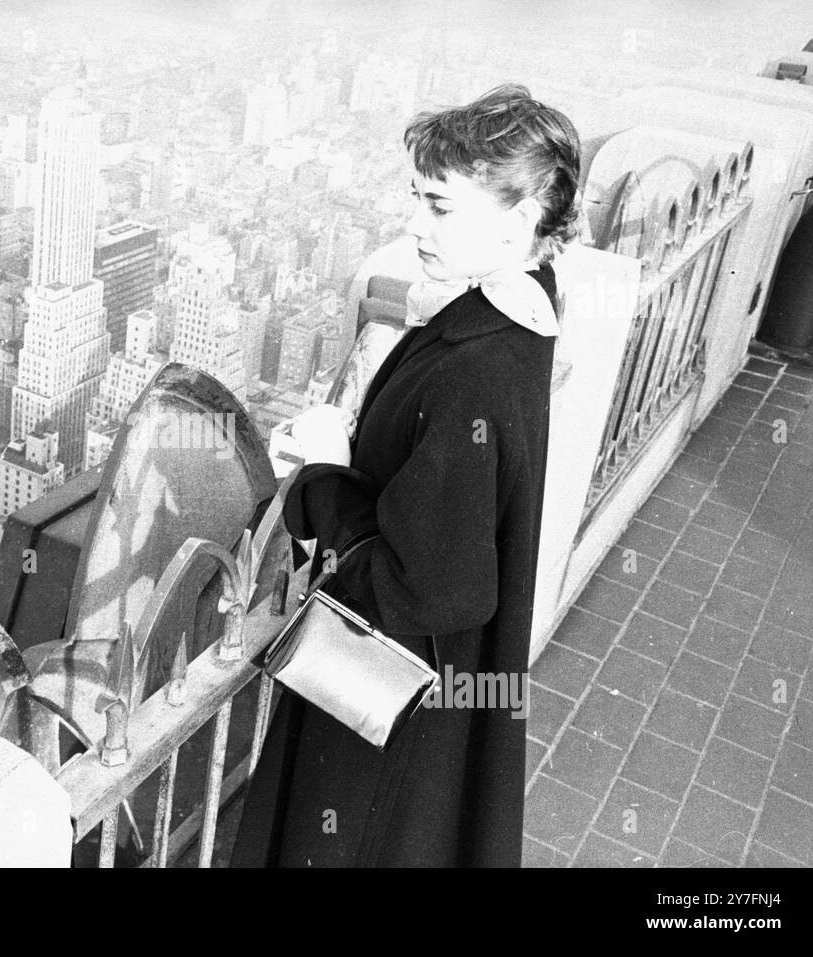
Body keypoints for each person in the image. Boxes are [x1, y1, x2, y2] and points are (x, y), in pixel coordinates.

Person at [231, 84, 582, 868]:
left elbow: (428, 587)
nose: (414, 225)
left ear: (519, 220)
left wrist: (326, 474)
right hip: (441, 709)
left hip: (386, 715)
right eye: (417, 201)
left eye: (441, 207)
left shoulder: (473, 374)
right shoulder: (519, 315)